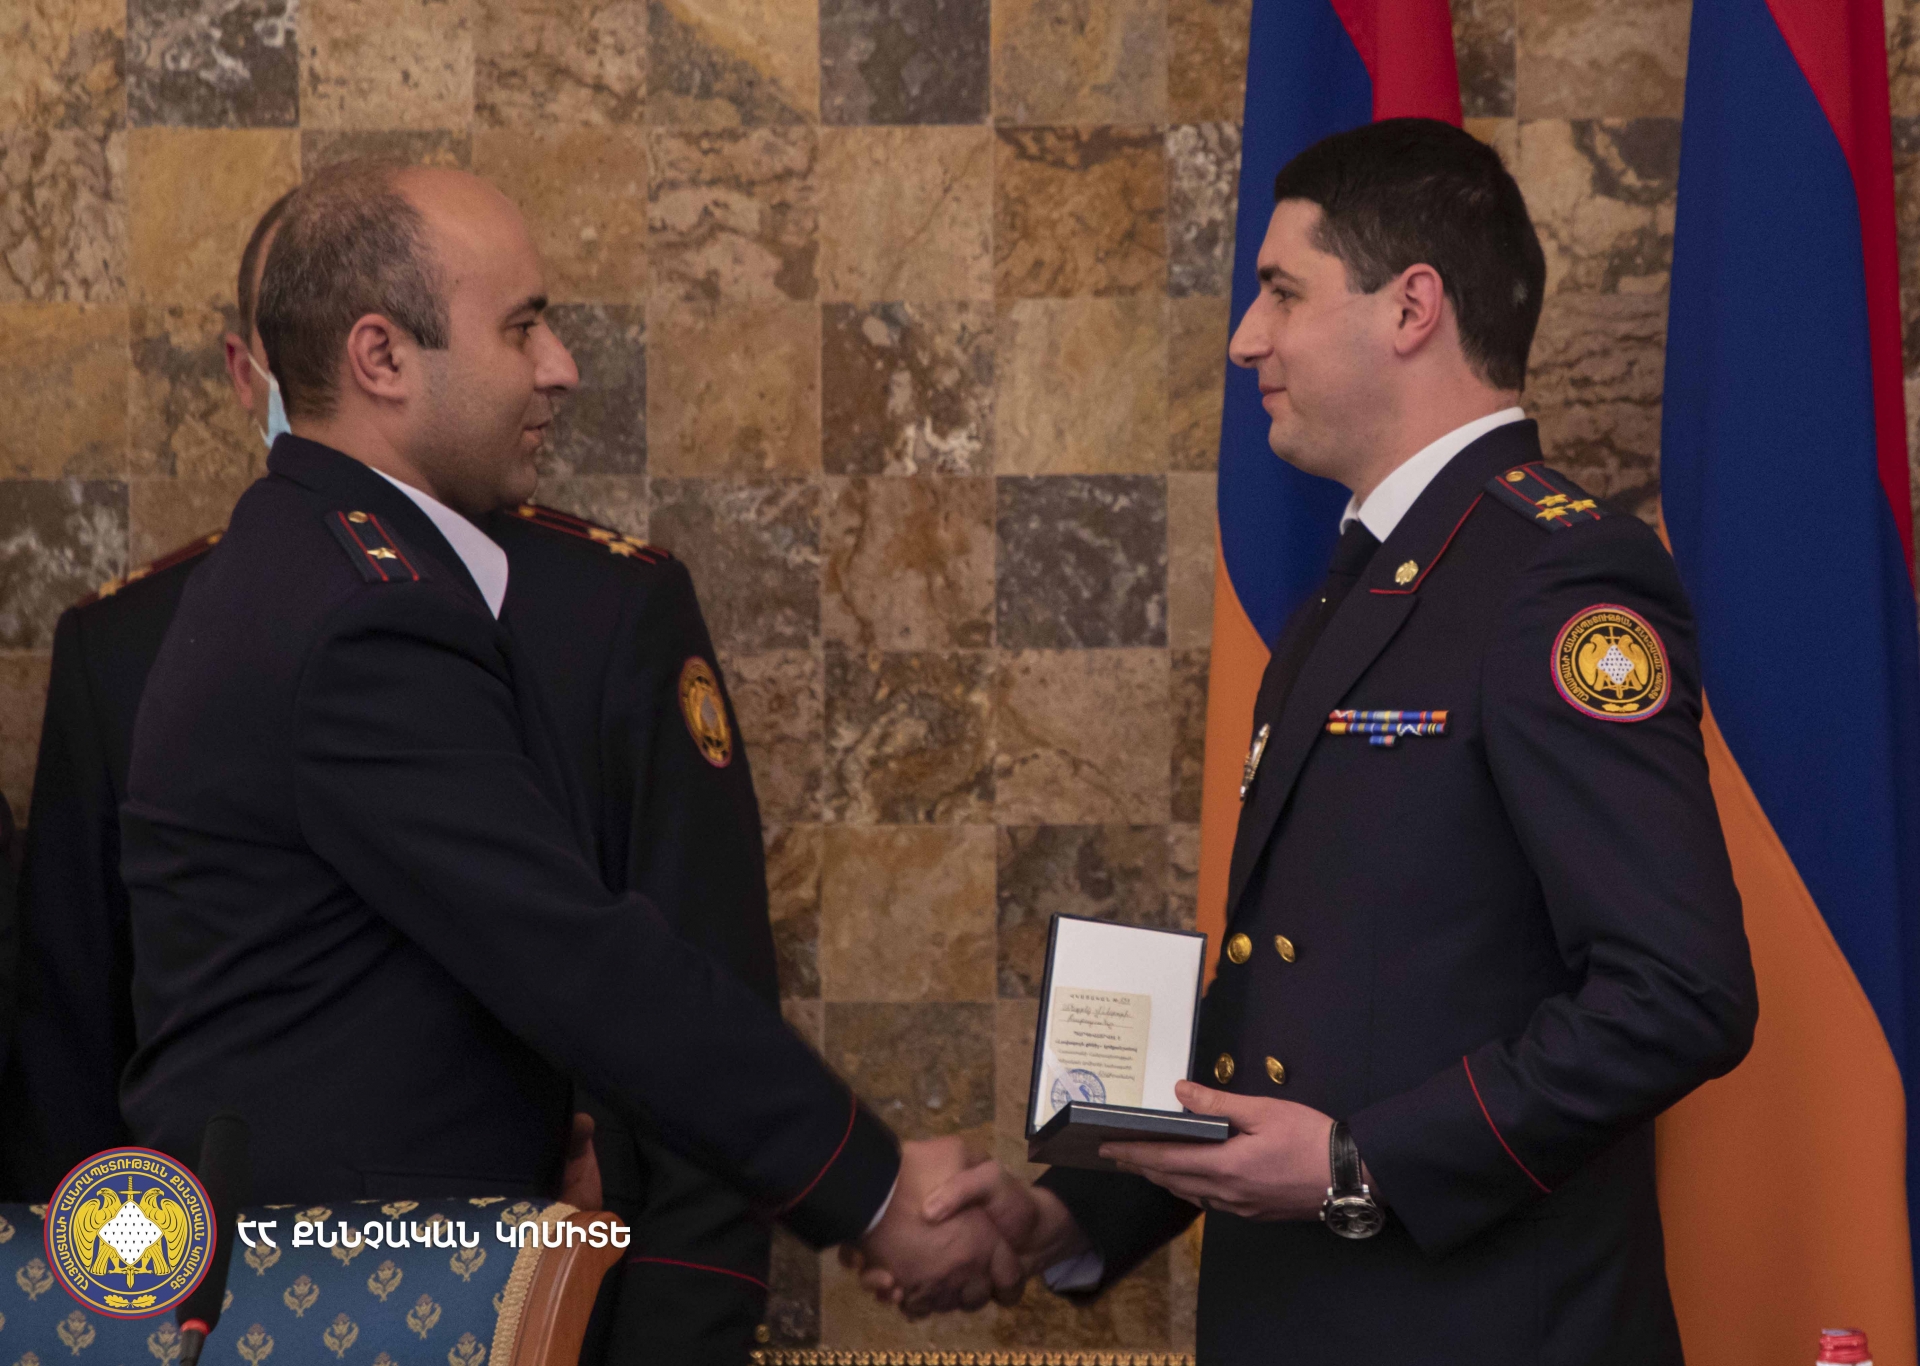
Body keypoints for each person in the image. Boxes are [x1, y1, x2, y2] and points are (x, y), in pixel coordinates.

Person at [881, 118, 1759, 1363]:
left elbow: (1681, 992)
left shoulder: (1556, 580)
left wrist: (1362, 1162)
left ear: (1411, 308)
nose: (1247, 338)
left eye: (1282, 292)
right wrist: (1068, 1214)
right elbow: (1298, 993)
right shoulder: (1360, 585)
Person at [117, 158, 1021, 1313]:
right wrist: (875, 1191)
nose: (561, 367)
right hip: (338, 1303)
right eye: (522, 328)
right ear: (381, 358)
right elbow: (570, 953)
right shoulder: (360, 617)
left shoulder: (311, 561)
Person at [3, 185, 802, 1361]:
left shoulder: (607, 615)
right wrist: (110, 1331)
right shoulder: (125, 645)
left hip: (564, 1309)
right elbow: (69, 1070)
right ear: (249, 370)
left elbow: (691, 984)